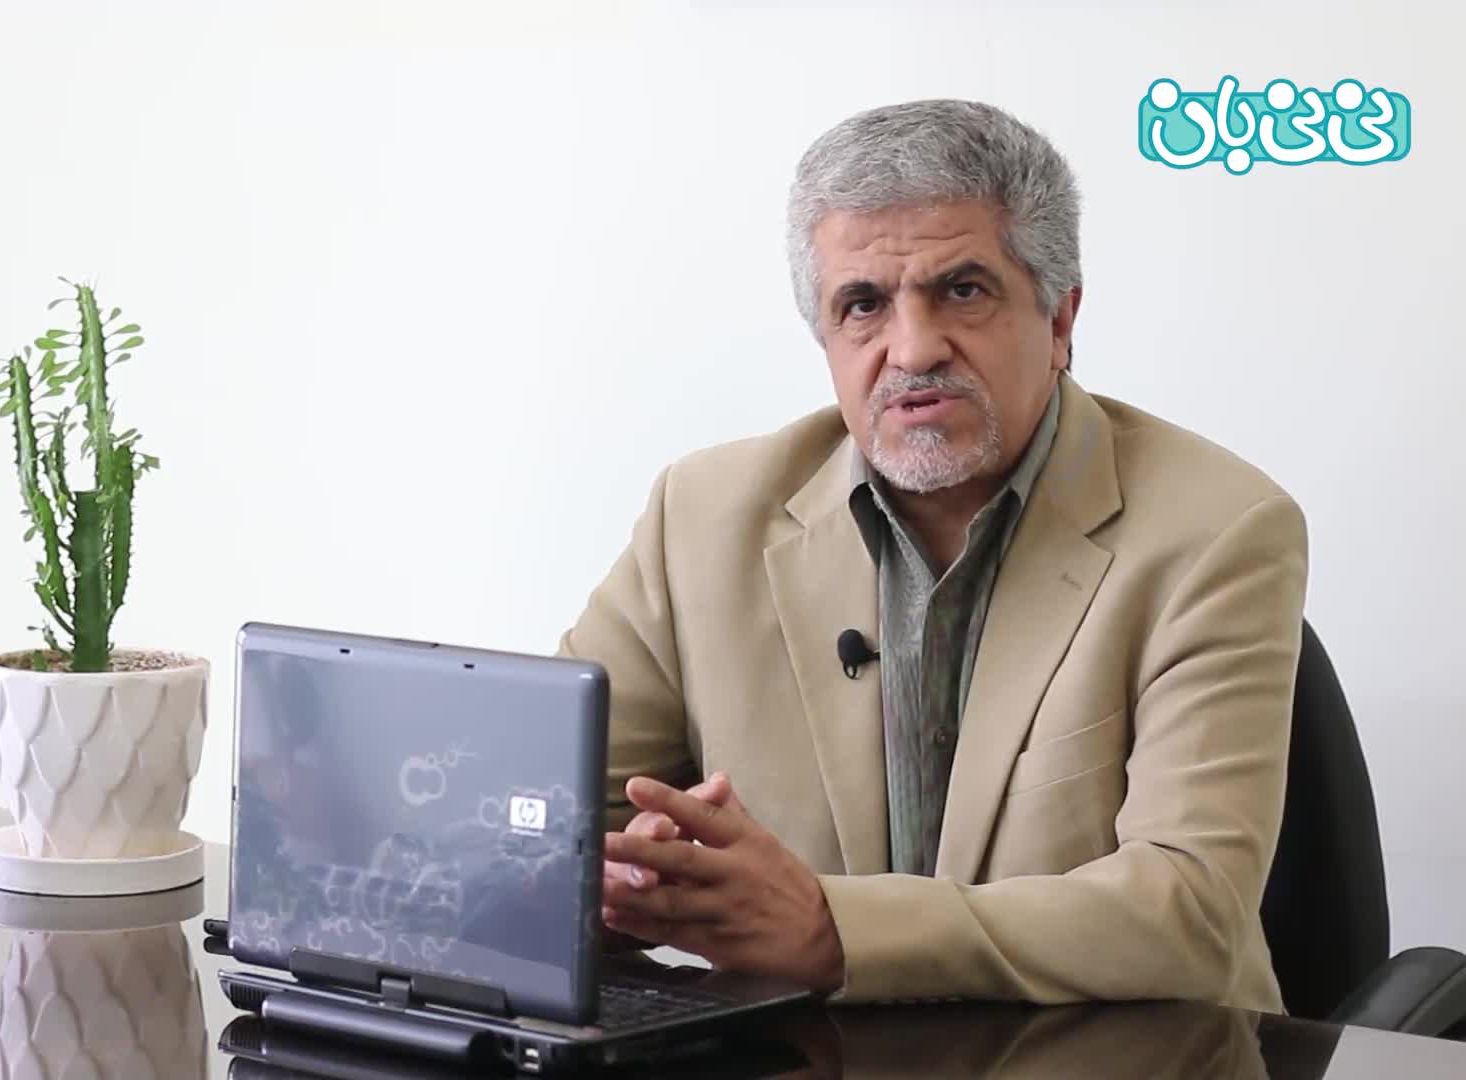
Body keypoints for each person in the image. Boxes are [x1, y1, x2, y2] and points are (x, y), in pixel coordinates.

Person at [558, 98, 1308, 1012]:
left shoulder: (1218, 530)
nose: (912, 350)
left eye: (962, 291)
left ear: (1060, 318)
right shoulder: (702, 518)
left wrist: (833, 928)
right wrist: (618, 883)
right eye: (863, 305)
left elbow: (1192, 912)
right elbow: (536, 820)